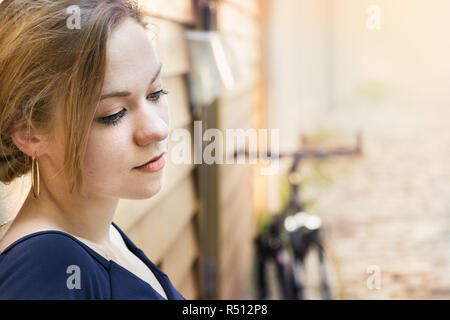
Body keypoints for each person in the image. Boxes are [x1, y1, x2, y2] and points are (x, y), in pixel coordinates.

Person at [0, 0, 185, 300]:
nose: (158, 130)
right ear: (29, 132)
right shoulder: (44, 270)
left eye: (155, 93)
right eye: (113, 114)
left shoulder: (101, 235)